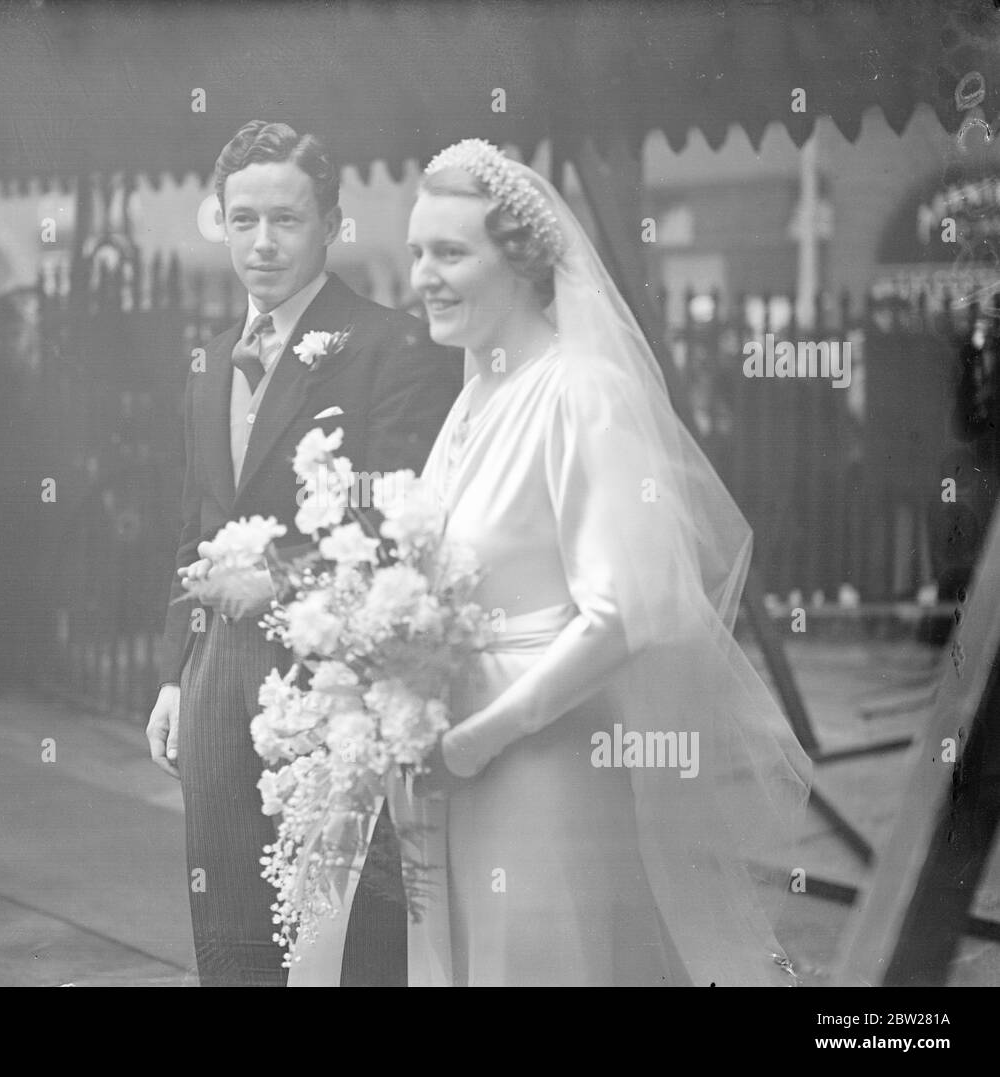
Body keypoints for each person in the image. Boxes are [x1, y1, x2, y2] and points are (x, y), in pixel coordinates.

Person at [294, 140, 812, 987]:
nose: (422, 274)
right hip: (450, 762)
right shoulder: (474, 393)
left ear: (525, 262)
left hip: (543, 766)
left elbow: (629, 608)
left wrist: (478, 737)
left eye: (451, 253)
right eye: (418, 251)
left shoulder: (580, 391)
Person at [145, 121, 461, 986]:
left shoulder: (392, 347)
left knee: (341, 925)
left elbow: (399, 532)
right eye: (242, 219)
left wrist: (277, 581)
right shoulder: (208, 363)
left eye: (285, 219)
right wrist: (178, 674)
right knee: (230, 913)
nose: (262, 242)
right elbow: (195, 526)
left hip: (333, 683)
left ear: (330, 221)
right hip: (218, 676)